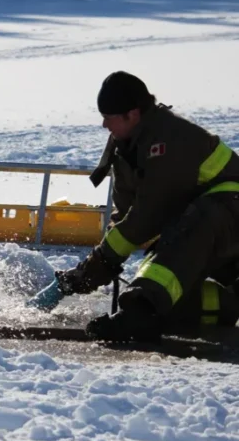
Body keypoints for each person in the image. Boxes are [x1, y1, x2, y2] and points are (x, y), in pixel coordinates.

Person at [53, 71, 239, 343]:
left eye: (109, 116)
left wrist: (102, 262)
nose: (104, 124)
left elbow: (148, 215)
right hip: (205, 228)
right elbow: (127, 216)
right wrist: (94, 269)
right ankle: (225, 305)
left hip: (228, 212)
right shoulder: (125, 147)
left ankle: (139, 314)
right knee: (163, 284)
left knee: (182, 241)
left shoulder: (170, 138)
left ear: (133, 114)